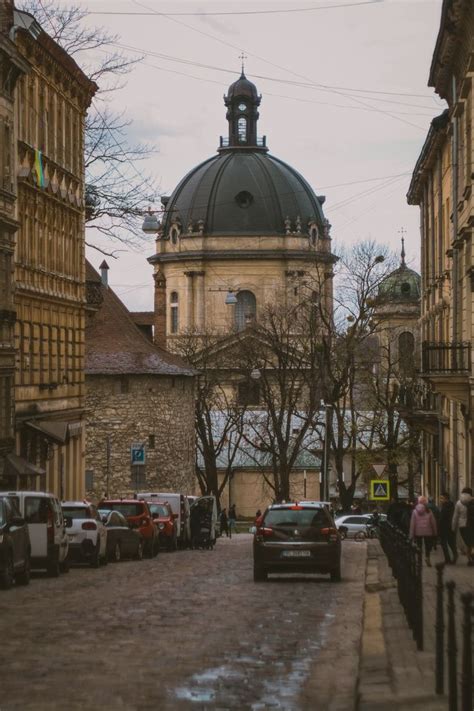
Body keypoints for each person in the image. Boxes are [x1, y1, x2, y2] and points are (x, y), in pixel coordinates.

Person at [409, 495, 437, 566]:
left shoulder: (415, 511)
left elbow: (412, 524)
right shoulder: (429, 511)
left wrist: (411, 535)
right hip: (428, 532)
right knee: (428, 546)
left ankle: (419, 559)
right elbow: (433, 522)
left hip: (418, 532)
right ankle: (427, 557)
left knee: (419, 546)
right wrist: (435, 532)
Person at [452, 487, 474, 565]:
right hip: (471, 524)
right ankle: (471, 556)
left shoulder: (458, 503)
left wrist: (453, 527)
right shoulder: (472, 501)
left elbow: (455, 516)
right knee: (471, 542)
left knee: (468, 542)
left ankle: (470, 560)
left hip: (462, 526)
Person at [439, 492, 457, 564]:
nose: (440, 500)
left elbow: (444, 517)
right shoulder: (449, 505)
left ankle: (449, 558)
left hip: (446, 527)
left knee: (445, 543)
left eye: (441, 498)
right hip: (448, 527)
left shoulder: (447, 506)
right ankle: (452, 557)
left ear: (446, 498)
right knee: (450, 543)